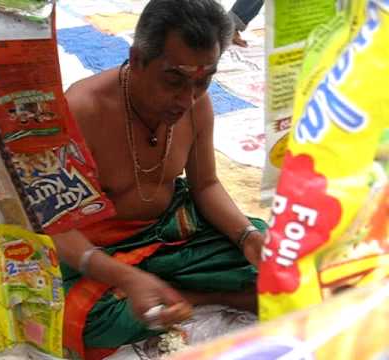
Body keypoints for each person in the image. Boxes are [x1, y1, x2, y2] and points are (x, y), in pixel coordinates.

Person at [57, 0, 267, 358]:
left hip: (171, 230)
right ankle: (192, 296)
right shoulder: (83, 108)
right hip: (99, 248)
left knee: (274, 257)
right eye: (174, 80)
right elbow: (56, 227)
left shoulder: (196, 103)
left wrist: (247, 236)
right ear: (137, 59)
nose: (187, 99)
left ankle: (175, 296)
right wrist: (126, 278)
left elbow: (205, 185)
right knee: (81, 321)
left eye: (204, 81)